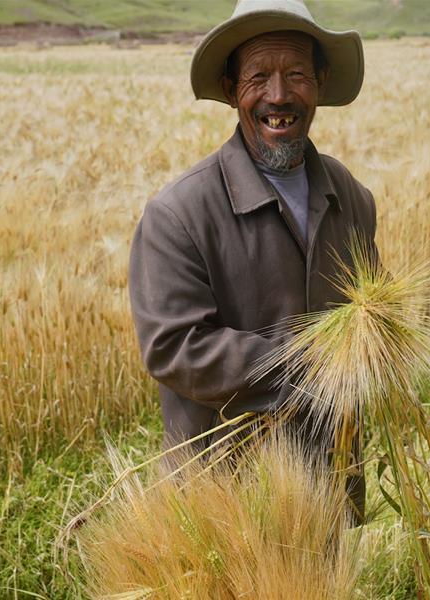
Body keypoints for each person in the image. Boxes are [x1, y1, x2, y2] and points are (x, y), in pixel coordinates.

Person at [128, 0, 377, 524]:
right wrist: (310, 366)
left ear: (323, 82)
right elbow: (174, 347)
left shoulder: (350, 197)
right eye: (259, 76)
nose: (279, 96)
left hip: (329, 480)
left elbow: (372, 310)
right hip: (228, 501)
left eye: (297, 75)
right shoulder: (178, 214)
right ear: (229, 90)